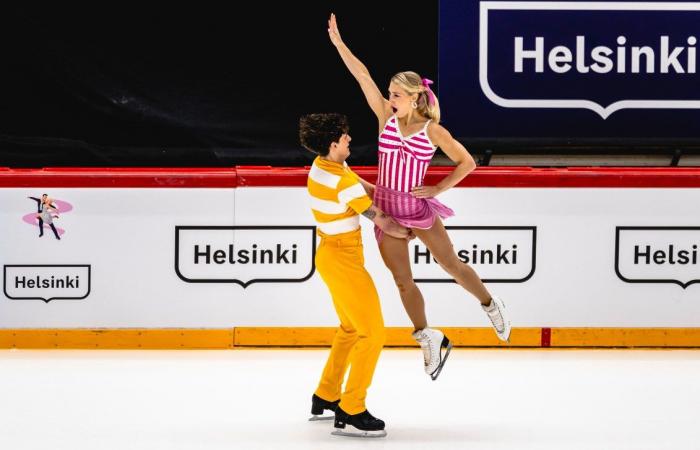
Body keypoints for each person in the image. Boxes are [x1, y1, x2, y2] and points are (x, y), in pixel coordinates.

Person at [327, 13, 511, 381]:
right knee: (402, 281)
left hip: (417, 208)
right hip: (386, 211)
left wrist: (439, 188)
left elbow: (468, 163)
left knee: (451, 265)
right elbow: (361, 75)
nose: (388, 98)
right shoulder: (385, 117)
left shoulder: (432, 130)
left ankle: (491, 304)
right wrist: (339, 45)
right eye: (389, 93)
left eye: (395, 94)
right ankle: (427, 336)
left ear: (413, 97)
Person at [301, 113, 410, 438]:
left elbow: (365, 187)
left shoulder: (326, 165)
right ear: (334, 144)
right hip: (343, 260)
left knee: (351, 328)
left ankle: (326, 394)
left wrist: (394, 199)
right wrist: (410, 227)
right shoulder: (340, 181)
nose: (350, 139)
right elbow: (382, 221)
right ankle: (351, 408)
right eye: (345, 136)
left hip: (331, 255)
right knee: (373, 333)